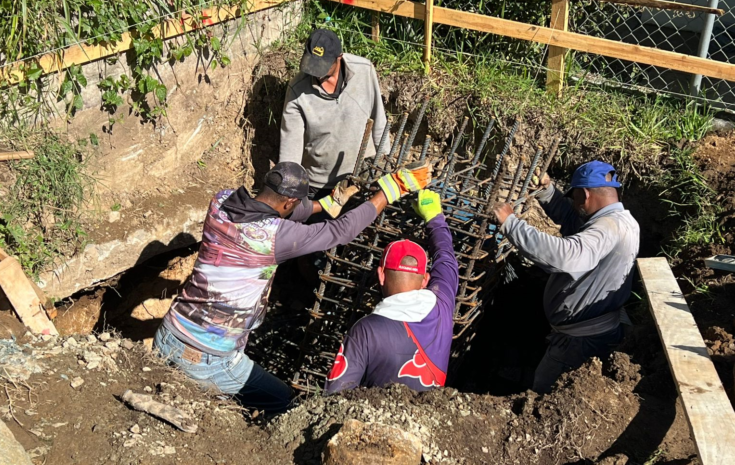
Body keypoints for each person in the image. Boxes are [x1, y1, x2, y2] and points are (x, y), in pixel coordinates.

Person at [153, 161, 432, 414]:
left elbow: (275, 207)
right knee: (285, 402)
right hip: (208, 358)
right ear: (288, 203)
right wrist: (390, 189)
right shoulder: (273, 237)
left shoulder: (221, 202)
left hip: (169, 333)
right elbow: (341, 231)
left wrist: (325, 205)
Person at [492, 160, 640, 393]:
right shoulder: (620, 221)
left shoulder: (607, 228)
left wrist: (512, 224)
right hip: (590, 331)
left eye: (575, 197)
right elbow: (575, 224)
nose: (574, 202)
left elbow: (565, 256)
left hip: (579, 343)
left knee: (542, 396)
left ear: (586, 193)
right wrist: (548, 192)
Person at [324, 189, 459, 394]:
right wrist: (434, 216)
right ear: (425, 280)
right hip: (430, 422)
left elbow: (335, 395)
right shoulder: (442, 304)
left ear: (381, 275)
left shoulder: (366, 331)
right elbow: (446, 257)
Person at [279, 28, 389, 198]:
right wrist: (288, 187)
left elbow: (378, 118)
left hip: (361, 176)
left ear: (339, 57)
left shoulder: (364, 71)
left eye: (322, 66)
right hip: (319, 183)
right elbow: (290, 144)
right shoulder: (298, 89)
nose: (316, 72)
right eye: (311, 63)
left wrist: (382, 162)